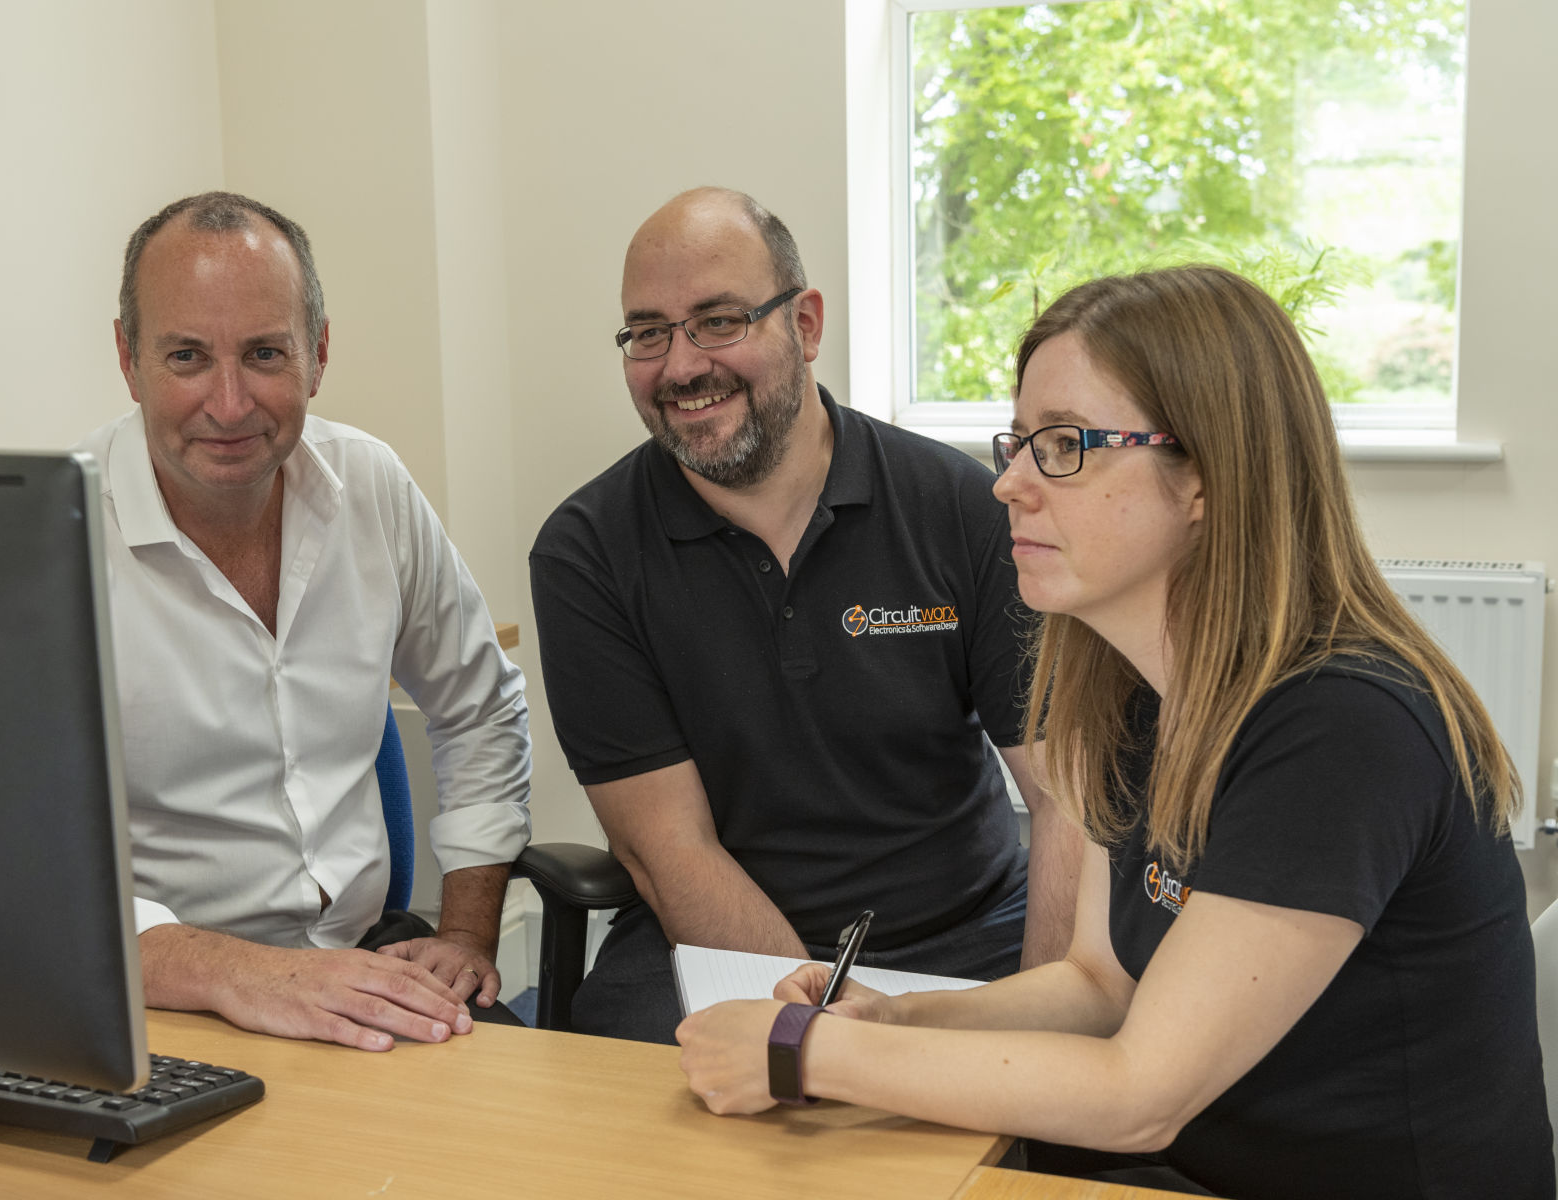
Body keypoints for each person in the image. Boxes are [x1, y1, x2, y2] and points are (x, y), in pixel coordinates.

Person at [675, 265, 1553, 1200]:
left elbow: (1140, 1094)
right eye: (1017, 442)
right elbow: (1102, 985)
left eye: (1065, 445)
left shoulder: (1343, 726)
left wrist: (802, 1056)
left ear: (1208, 477)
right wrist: (894, 1023)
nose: (1008, 483)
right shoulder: (1127, 686)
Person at [530, 187, 1082, 1045]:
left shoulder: (962, 507)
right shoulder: (586, 553)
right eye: (648, 332)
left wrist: (1040, 1027)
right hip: (722, 945)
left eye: (719, 321)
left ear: (807, 325)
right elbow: (669, 850)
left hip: (969, 935)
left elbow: (1064, 795)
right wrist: (818, 1032)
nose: (680, 366)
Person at [78, 191, 532, 1052]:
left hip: (366, 966)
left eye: (264, 353)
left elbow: (479, 705)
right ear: (128, 358)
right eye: (185, 356)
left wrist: (467, 933)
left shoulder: (370, 484)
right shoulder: (54, 532)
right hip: (163, 1004)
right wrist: (248, 977)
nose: (229, 402)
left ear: (318, 354)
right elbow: (26, 868)